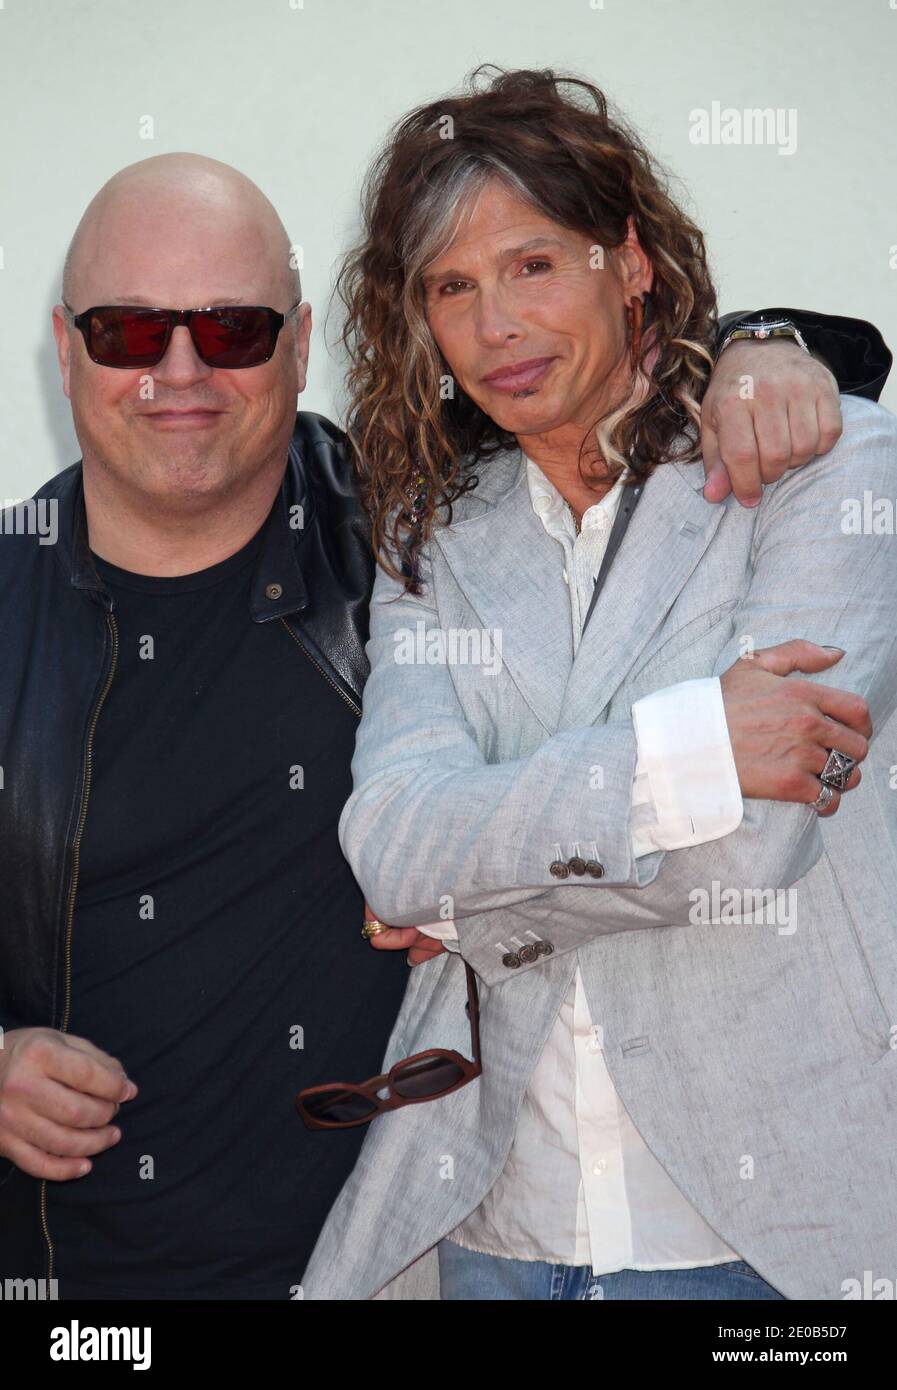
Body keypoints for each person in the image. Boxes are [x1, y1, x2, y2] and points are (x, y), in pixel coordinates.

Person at [0, 147, 886, 1297]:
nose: (181, 373)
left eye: (232, 331)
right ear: (66, 348)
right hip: (82, 1287)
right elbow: (407, 850)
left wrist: (773, 343)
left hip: (384, 1251)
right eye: (128, 331)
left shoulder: (396, 523)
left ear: (302, 341)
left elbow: (600, 373)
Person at [298, 68, 897, 1301]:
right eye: (451, 289)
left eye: (531, 265)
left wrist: (472, 911)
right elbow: (394, 844)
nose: (495, 327)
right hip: (501, 1230)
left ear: (628, 262)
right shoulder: (434, 537)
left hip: (770, 1238)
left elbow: (749, 857)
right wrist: (684, 756)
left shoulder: (827, 463)